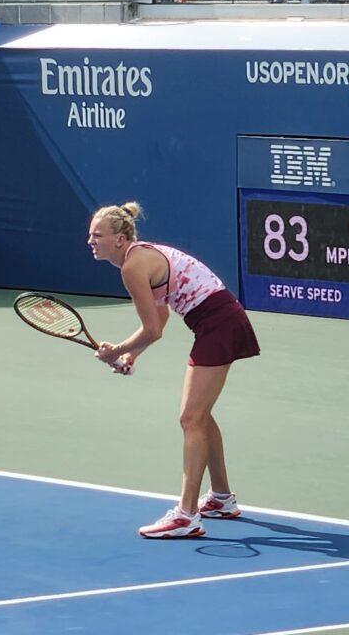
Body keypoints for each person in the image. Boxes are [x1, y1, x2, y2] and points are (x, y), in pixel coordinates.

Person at [87, 202, 260, 539]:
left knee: (191, 419)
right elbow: (161, 318)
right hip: (220, 321)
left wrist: (117, 351)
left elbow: (151, 329)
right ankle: (221, 498)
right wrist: (132, 357)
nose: (90, 241)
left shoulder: (133, 266)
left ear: (120, 239)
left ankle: (186, 515)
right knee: (200, 416)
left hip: (219, 324)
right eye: (90, 234)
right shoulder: (140, 258)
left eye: (98, 235)